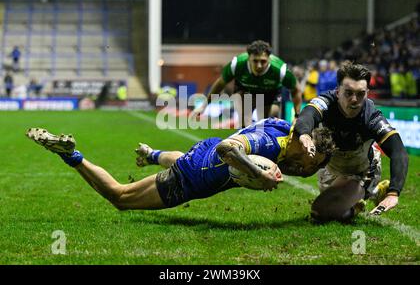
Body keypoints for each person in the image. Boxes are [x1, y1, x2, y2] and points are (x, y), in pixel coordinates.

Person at [26, 118, 335, 211]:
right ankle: (70, 155)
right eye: (312, 163)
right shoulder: (270, 144)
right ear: (306, 147)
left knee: (182, 160)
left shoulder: (283, 125)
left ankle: (150, 153)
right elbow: (231, 148)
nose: (307, 169)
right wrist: (258, 174)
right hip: (197, 176)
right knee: (120, 198)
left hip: (205, 149)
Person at [295, 62, 409, 223]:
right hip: (330, 169)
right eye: (348, 93)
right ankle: (375, 192)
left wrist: (394, 193)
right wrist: (304, 134)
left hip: (361, 171)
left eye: (360, 94)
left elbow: (398, 151)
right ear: (338, 91)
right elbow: (308, 114)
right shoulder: (326, 102)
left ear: (367, 93)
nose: (354, 100)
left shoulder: (372, 117)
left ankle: (365, 190)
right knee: (324, 211)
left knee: (322, 215)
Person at [191, 40, 302, 127]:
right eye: (255, 61)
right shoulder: (237, 64)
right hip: (245, 90)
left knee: (266, 121)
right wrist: (204, 106)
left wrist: (297, 116)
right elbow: (220, 84)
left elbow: (296, 90)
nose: (259, 66)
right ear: (249, 58)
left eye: (263, 61)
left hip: (270, 92)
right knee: (245, 122)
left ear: (269, 58)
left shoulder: (280, 69)